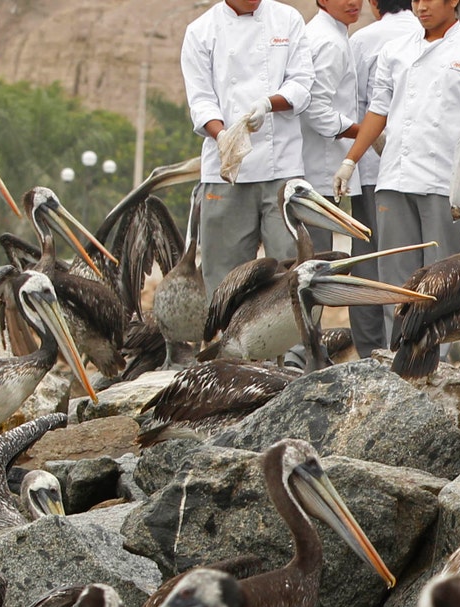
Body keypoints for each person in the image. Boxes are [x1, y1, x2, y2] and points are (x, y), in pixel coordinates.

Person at [337, 0, 460, 359]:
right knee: (395, 279)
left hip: (443, 181)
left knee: (443, 280)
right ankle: (399, 359)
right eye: (416, 0)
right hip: (396, 176)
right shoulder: (396, 51)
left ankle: (440, 363)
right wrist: (351, 160)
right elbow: (378, 111)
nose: (422, 7)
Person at [181, 0, 316, 293]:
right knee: (225, 279)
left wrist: (268, 103)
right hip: (226, 172)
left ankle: (291, 341)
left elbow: (303, 84)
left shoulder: (288, 19)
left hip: (281, 166)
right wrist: (223, 137)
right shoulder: (201, 31)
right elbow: (201, 99)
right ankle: (225, 338)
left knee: (289, 273)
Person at [342, 0, 423, 356]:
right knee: (421, 262)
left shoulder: (362, 40)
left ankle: (372, 352)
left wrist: (352, 159)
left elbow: (358, 106)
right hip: (427, 173)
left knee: (368, 263)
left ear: (375, 4)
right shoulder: (428, 33)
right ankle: (420, 347)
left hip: (376, 171)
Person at [301, 0, 363, 253]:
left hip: (314, 163)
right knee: (315, 256)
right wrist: (365, 134)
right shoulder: (330, 42)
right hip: (320, 165)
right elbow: (315, 108)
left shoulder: (326, 33)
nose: (353, 3)